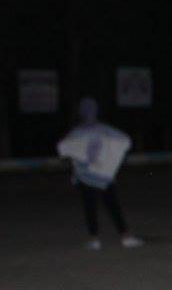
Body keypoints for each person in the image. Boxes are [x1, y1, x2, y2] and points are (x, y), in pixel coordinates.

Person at [57, 97, 143, 250]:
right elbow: (125, 141)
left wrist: (81, 158)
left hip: (84, 176)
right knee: (112, 205)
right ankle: (125, 237)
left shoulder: (77, 132)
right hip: (103, 175)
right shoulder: (104, 130)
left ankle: (94, 239)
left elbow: (64, 148)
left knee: (90, 207)